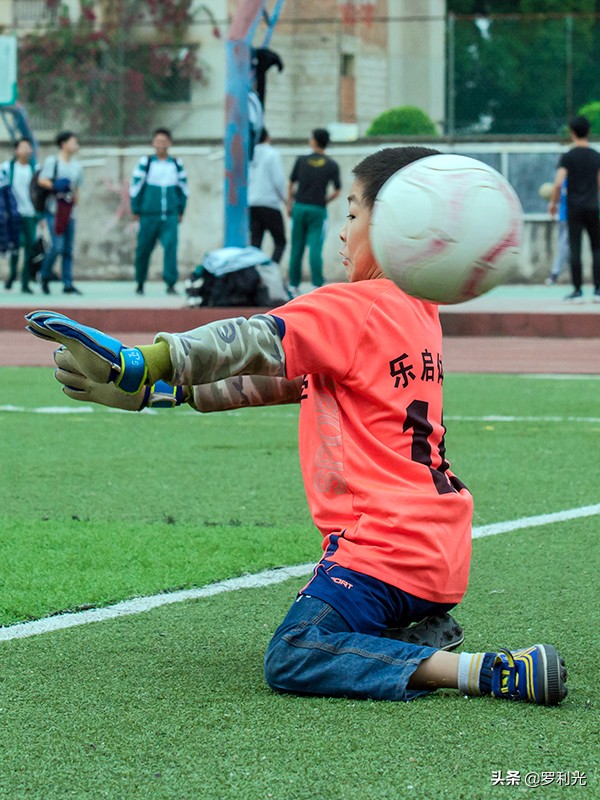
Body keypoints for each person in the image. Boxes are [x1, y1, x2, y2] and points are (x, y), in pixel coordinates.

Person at [26, 146, 568, 707]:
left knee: (296, 651)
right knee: (328, 632)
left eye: (354, 214)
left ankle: (480, 670)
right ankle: (410, 628)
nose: (342, 231)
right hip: (437, 549)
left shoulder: (355, 306)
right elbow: (271, 378)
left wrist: (140, 363)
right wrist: (157, 395)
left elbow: (252, 338)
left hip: (385, 550)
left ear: (399, 226)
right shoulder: (416, 313)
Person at [129, 128, 188, 296]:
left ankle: (170, 283)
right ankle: (140, 282)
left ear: (169, 143)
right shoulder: (145, 163)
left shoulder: (176, 164)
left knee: (170, 248)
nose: (161, 144)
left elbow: (184, 188)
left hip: (169, 215)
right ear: (153, 143)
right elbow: (136, 187)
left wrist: (181, 209)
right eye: (158, 141)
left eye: (164, 141)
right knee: (143, 249)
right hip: (149, 215)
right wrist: (136, 209)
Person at [549, 115, 600, 302]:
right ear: (589, 132)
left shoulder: (568, 156)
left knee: (575, 249)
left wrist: (553, 203)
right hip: (594, 208)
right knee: (597, 249)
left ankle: (577, 291)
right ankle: (598, 291)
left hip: (574, 209)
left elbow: (557, 183)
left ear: (572, 133)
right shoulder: (596, 156)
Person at [287, 128, 341, 296]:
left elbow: (290, 184)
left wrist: (289, 204)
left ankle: (293, 285)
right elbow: (337, 190)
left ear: (314, 141)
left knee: (296, 247)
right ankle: (317, 284)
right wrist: (325, 200)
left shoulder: (301, 160)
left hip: (300, 207)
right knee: (315, 248)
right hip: (318, 210)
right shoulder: (332, 164)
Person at [38, 130, 84, 296]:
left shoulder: (77, 166)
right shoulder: (53, 162)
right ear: (63, 144)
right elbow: (42, 180)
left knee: (68, 249)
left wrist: (75, 207)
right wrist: (56, 185)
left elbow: (77, 189)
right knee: (56, 246)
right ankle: (44, 275)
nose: (75, 145)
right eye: (73, 142)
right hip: (54, 211)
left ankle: (67, 283)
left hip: (69, 212)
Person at [0, 137, 37, 294]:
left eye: (28, 147)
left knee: (30, 247)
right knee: (15, 246)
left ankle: (25, 281)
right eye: (23, 147)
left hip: (30, 213)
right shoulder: (7, 168)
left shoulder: (35, 168)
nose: (26, 150)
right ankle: (12, 274)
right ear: (16, 150)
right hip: (13, 215)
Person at [248, 128, 287, 265]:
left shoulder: (249, 155)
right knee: (280, 241)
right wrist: (286, 200)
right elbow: (279, 181)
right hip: (269, 204)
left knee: (255, 243)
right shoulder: (272, 154)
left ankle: (253, 274)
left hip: (252, 204)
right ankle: (271, 270)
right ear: (267, 138)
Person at [545, 179, 569, 286]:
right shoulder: (564, 179)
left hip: (573, 216)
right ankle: (555, 273)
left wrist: (553, 202)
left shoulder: (568, 177)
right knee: (564, 246)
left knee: (564, 246)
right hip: (565, 217)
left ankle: (555, 274)